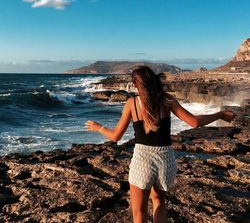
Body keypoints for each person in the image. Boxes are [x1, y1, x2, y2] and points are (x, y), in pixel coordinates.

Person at [84, 66, 236, 223]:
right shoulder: (167, 99)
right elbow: (194, 122)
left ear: (135, 85)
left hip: (142, 160)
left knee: (139, 212)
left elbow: (116, 136)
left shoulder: (132, 103)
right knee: (159, 201)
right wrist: (220, 114)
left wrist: (98, 127)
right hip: (166, 160)